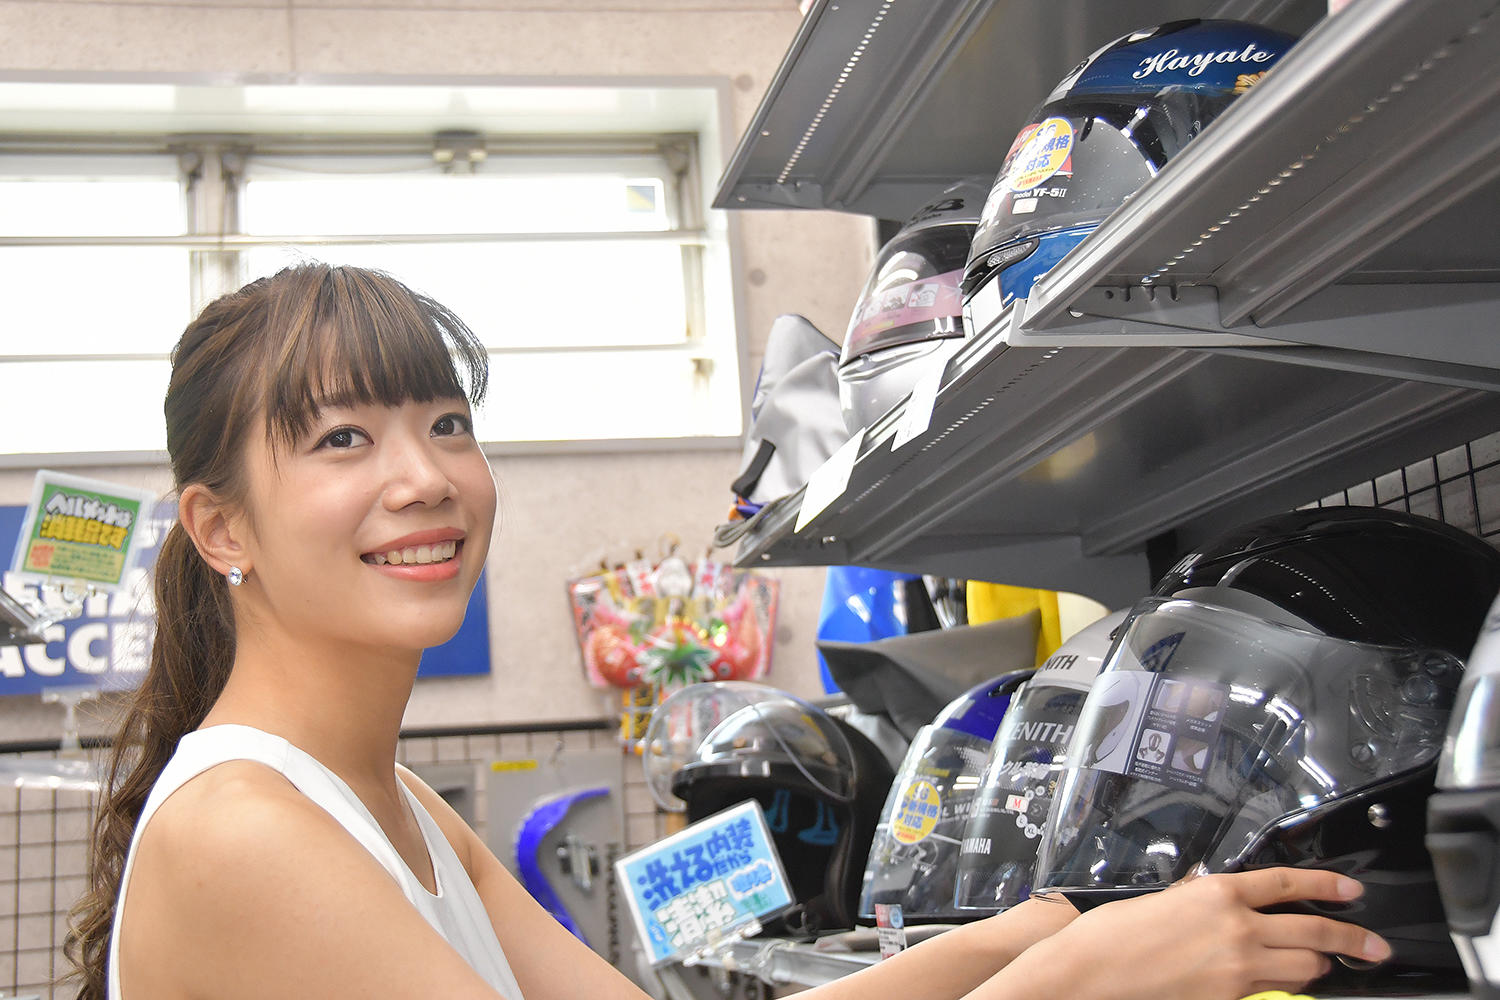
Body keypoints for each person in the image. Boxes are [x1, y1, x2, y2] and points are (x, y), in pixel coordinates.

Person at [65, 264, 1391, 1000]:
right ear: (220, 529)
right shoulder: (246, 830)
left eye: (446, 423)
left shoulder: (394, 804)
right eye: (344, 439)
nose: (425, 477)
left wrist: (1011, 938)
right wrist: (1081, 985)